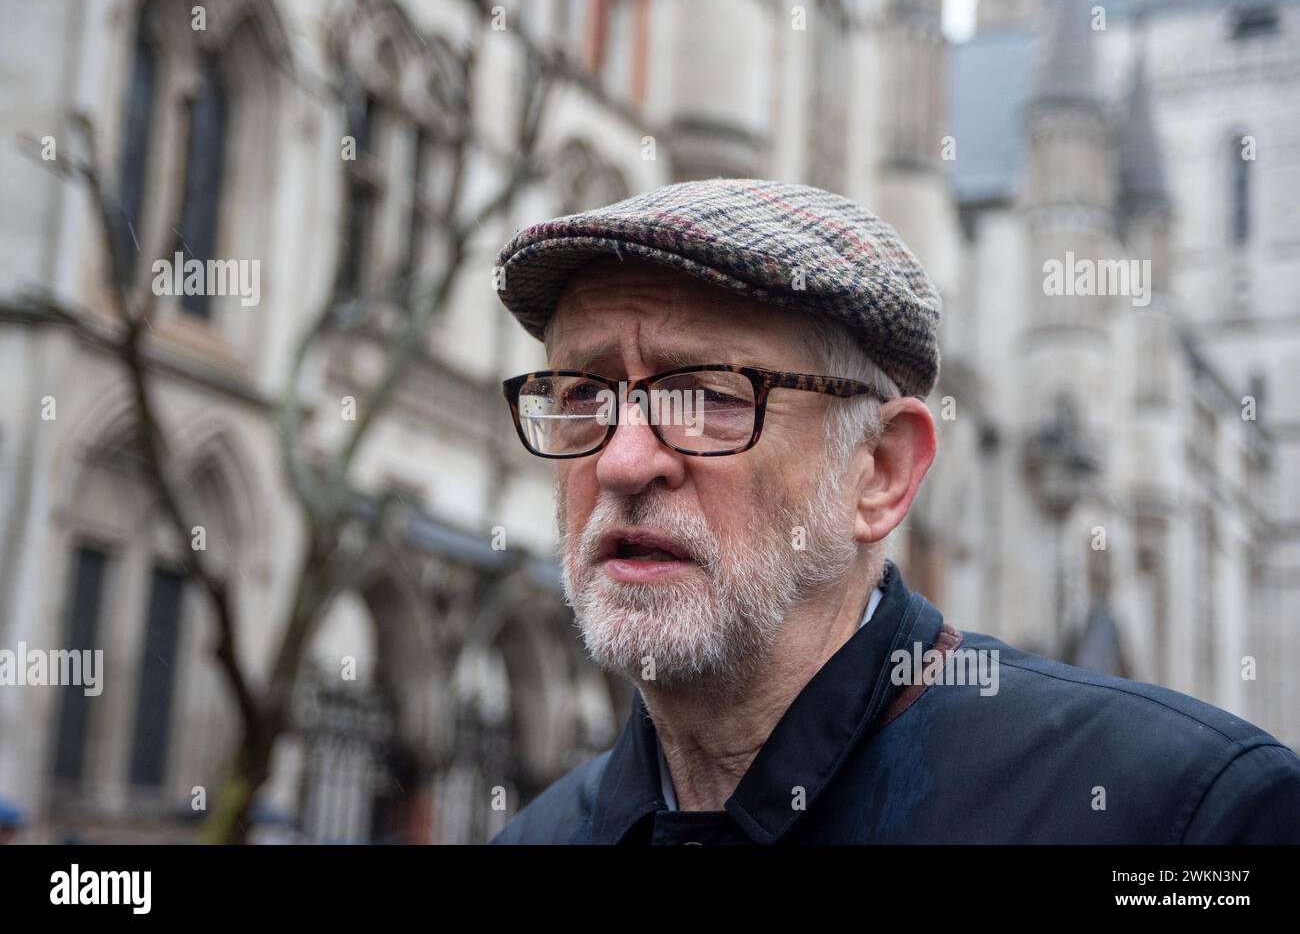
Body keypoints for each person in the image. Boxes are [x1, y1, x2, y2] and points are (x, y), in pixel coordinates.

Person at [489, 178, 1300, 844]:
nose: (624, 459)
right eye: (583, 395)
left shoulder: (1184, 817)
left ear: (879, 471)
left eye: (704, 398)